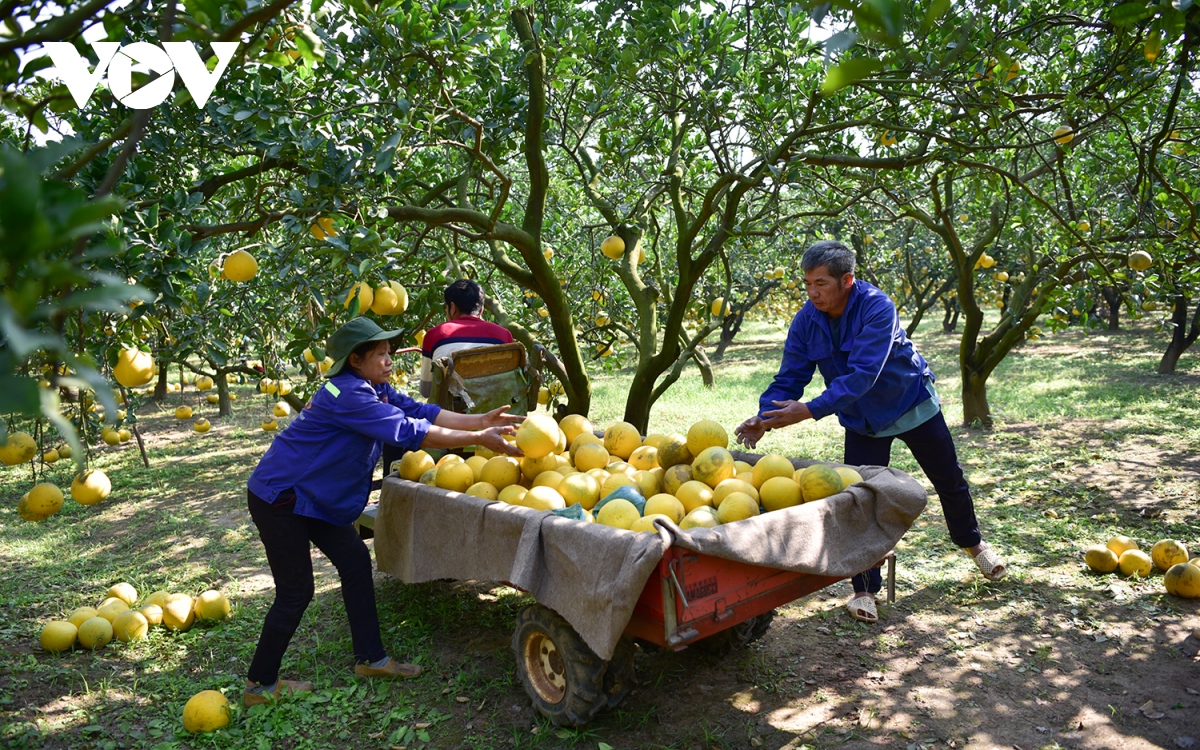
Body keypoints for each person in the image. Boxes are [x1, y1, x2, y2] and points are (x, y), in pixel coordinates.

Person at [243, 317, 523, 706]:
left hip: (312, 499)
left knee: (356, 563)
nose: (390, 360)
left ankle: (371, 659)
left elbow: (425, 413)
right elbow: (410, 431)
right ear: (355, 360)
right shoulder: (347, 395)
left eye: (390, 352)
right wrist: (478, 439)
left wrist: (481, 421)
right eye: (381, 354)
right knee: (296, 592)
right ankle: (259, 685)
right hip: (282, 499)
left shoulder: (375, 389)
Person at [734, 240, 1006, 624]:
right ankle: (864, 589)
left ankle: (974, 545)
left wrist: (809, 411)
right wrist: (763, 417)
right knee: (860, 501)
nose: (812, 292)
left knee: (948, 479)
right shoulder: (806, 320)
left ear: (847, 280)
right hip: (862, 419)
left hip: (909, 404)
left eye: (821, 283)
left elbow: (863, 374)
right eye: (807, 283)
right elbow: (790, 377)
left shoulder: (877, 308)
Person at [418, 279, 514, 399]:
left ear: (452, 308)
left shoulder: (434, 335)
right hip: (494, 410)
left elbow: (426, 390)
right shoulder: (504, 336)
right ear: (481, 310)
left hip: (450, 415)